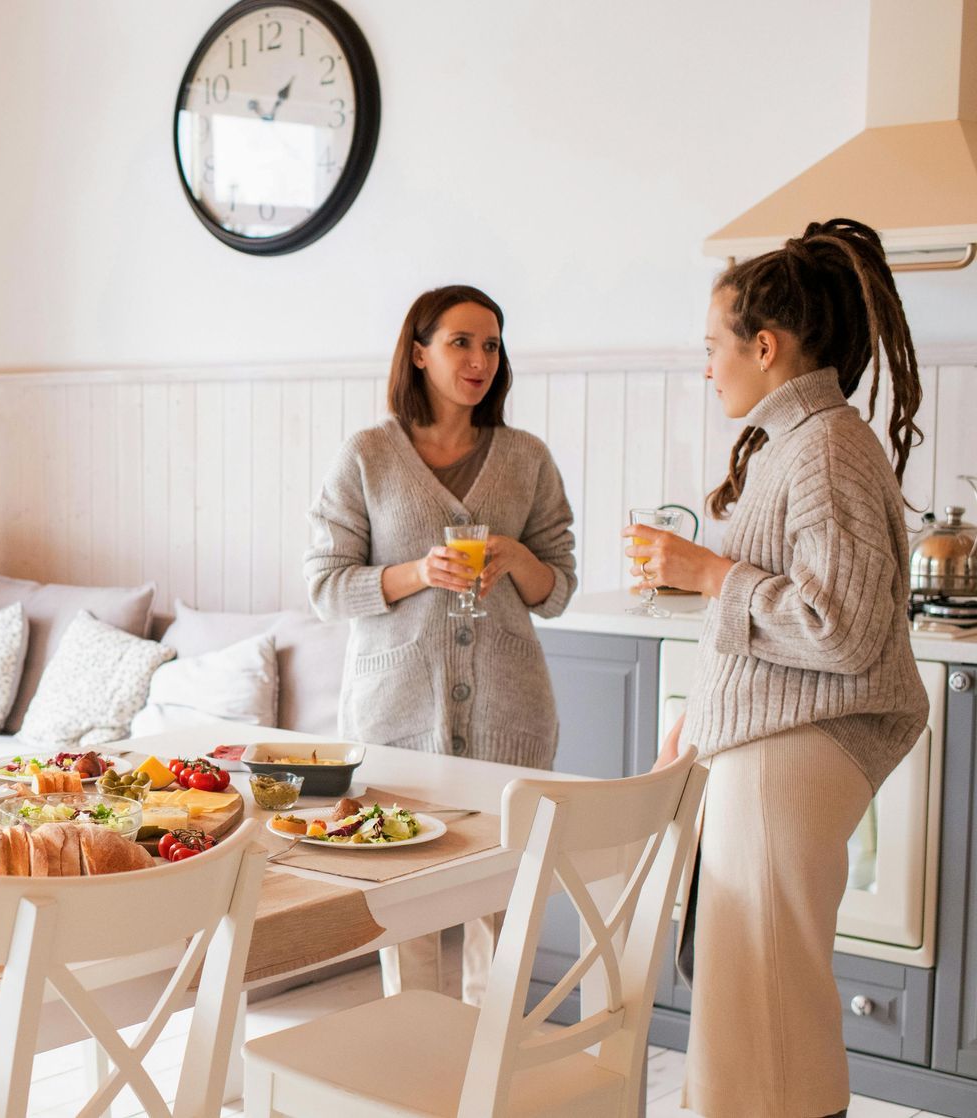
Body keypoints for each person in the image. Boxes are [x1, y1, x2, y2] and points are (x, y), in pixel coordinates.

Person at [627, 218, 928, 1118]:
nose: (709, 365)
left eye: (714, 346)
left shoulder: (825, 445)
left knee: (766, 1006)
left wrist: (713, 573)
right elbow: (791, 612)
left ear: (765, 345)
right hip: (769, 746)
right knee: (754, 1006)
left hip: (793, 753)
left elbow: (839, 629)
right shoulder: (802, 443)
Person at [304, 283, 577, 1003]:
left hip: (508, 720)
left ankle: (493, 1081)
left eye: (491, 344)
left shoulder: (526, 458)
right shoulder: (368, 455)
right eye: (461, 342)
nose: (479, 358)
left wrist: (520, 561)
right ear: (419, 353)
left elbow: (561, 586)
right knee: (408, 907)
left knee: (502, 905)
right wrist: (415, 574)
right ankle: (417, 1074)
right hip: (396, 718)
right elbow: (326, 587)